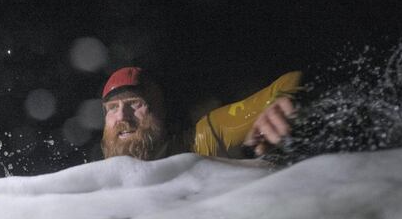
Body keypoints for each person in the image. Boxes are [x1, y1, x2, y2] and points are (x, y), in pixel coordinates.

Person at [100, 66, 302, 161]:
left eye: (135, 104)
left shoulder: (204, 141)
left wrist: (279, 103)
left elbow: (292, 80)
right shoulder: (94, 183)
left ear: (162, 111)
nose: (122, 117)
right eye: (112, 108)